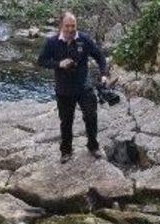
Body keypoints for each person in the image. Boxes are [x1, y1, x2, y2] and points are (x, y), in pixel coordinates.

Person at [37, 11, 110, 163]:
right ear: (61, 25)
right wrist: (58, 64)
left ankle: (93, 145)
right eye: (67, 26)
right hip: (63, 89)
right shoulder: (52, 42)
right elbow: (41, 61)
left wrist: (104, 74)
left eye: (73, 26)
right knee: (66, 121)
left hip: (84, 86)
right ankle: (66, 151)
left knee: (91, 116)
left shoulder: (84, 39)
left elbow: (100, 57)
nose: (70, 29)